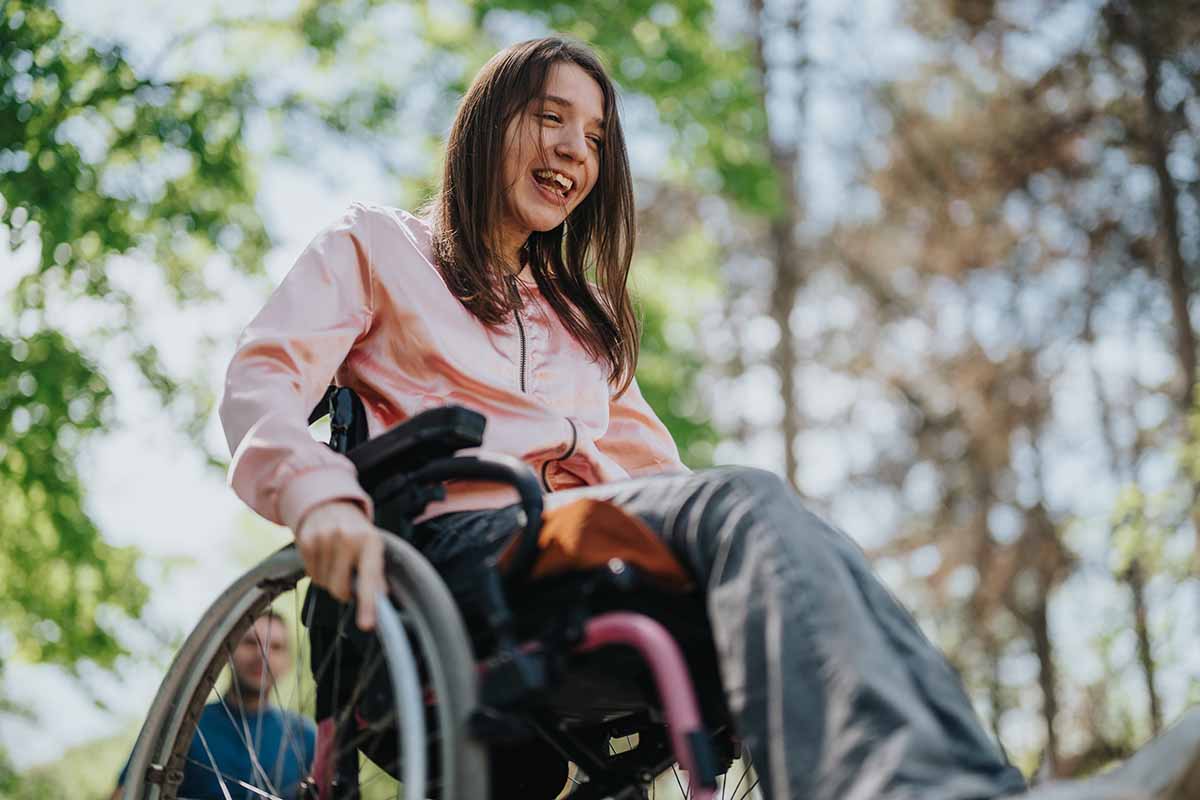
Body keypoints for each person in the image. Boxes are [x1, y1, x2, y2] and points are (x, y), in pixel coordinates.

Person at [217, 35, 1200, 800]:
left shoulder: (579, 332)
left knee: (796, 544)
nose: (575, 150)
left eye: (595, 137)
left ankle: (972, 783)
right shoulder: (376, 246)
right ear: (487, 122)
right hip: (442, 552)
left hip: (562, 560)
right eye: (551, 119)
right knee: (749, 508)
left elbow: (663, 484)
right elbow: (262, 377)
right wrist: (319, 498)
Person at [113, 611, 316, 800]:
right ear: (226, 651)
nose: (262, 654)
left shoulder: (305, 736)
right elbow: (125, 793)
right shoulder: (180, 724)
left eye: (276, 647)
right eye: (250, 642)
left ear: (288, 662)